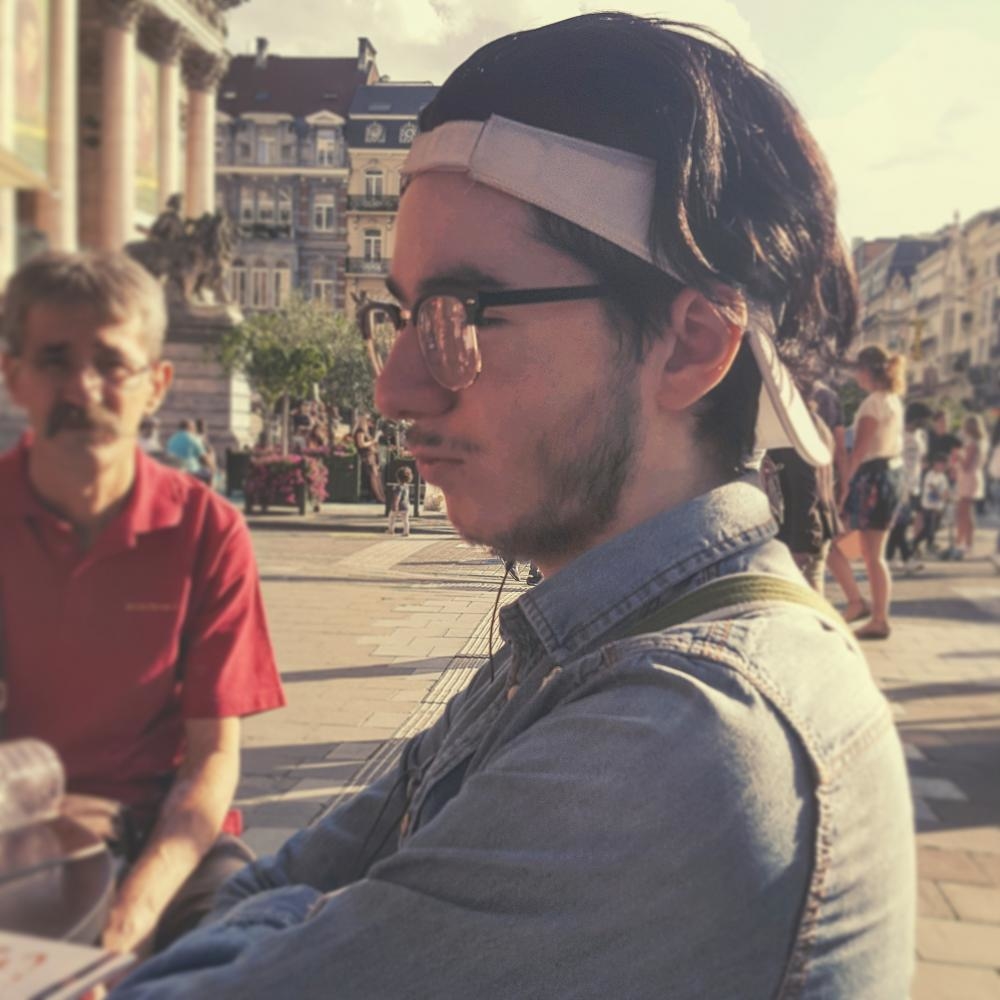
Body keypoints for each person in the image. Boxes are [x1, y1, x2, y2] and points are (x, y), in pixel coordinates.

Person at [113, 15, 913, 999]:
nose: (395, 390)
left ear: (692, 343)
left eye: (461, 315)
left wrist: (261, 913)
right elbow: (299, 875)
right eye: (400, 317)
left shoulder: (683, 738)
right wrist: (287, 914)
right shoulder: (588, 636)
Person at [0, 251, 286, 956]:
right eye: (56, 360)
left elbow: (212, 757)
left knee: (249, 953)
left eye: (111, 364)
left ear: (156, 384)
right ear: (14, 376)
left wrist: (130, 914)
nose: (83, 386)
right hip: (16, 818)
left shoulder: (207, 531)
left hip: (163, 828)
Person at [826, 345, 905, 640]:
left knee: (834, 542)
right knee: (873, 554)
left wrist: (844, 486)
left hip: (871, 479)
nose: (854, 375)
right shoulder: (892, 401)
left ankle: (864, 608)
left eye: (857, 369)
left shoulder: (873, 403)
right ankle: (872, 613)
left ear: (866, 371)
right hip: (888, 477)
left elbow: (858, 452)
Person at [886, 402, 931, 571]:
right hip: (899, 481)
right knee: (901, 522)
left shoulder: (920, 435)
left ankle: (890, 557)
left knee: (901, 522)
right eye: (923, 419)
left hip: (913, 483)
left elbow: (921, 457)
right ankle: (906, 557)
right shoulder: (898, 433)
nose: (925, 423)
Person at [954, 414, 986, 555]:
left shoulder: (973, 443)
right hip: (970, 477)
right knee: (964, 511)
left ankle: (967, 543)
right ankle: (961, 541)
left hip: (969, 478)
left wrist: (958, 455)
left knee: (965, 512)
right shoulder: (980, 442)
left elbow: (966, 465)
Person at [166, 417, 214, 483]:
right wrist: (213, 466)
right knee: (208, 472)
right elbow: (205, 460)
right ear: (191, 428)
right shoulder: (193, 439)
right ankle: (209, 489)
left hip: (174, 471)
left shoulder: (171, 439)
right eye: (194, 428)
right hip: (191, 472)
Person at [352, 413, 385, 503]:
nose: (370, 423)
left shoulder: (366, 431)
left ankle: (382, 496)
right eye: (369, 421)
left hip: (371, 456)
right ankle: (379, 497)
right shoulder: (360, 431)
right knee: (373, 476)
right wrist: (373, 440)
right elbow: (361, 444)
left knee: (377, 476)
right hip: (367, 456)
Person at [386, 465, 413, 537]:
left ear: (398, 478)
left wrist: (395, 505)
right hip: (406, 506)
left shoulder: (398, 487)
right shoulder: (407, 487)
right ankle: (406, 531)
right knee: (405, 520)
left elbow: (397, 497)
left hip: (399, 506)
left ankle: (391, 530)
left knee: (392, 517)